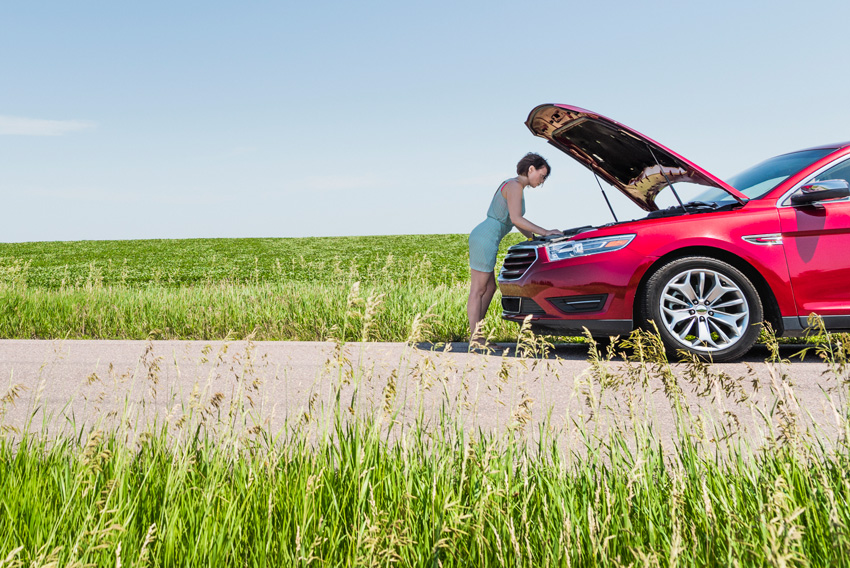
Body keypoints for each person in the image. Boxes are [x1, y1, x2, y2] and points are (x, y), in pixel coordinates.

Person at [467, 153, 562, 347]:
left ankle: (478, 335)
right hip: (485, 238)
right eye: (542, 176)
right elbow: (517, 218)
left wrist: (534, 238)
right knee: (478, 289)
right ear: (531, 169)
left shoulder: (514, 185)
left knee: (490, 287)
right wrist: (545, 231)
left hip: (487, 237)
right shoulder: (514, 186)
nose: (542, 181)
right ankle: (475, 339)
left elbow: (514, 221)